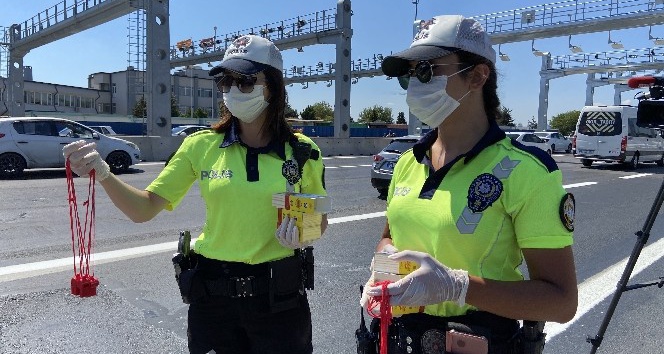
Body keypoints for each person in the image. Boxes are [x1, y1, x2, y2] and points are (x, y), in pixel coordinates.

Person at [63, 34, 327, 354]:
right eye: (225, 82)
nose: (233, 90)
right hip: (214, 300)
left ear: (273, 85)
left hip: (280, 301)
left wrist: (304, 232)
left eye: (245, 81)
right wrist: (103, 174)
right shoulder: (200, 146)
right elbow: (143, 209)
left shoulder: (302, 151)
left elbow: (318, 218)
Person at [359, 15, 578, 354]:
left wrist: (457, 287)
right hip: (398, 338)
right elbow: (390, 236)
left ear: (477, 76)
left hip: (475, 339)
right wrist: (383, 265)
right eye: (409, 75)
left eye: (427, 70)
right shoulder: (408, 163)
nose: (416, 86)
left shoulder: (527, 171)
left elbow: (561, 302)